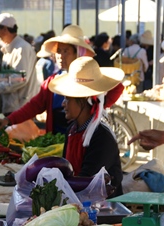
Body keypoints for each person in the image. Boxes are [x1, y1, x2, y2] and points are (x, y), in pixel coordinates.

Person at [0, 25, 124, 135]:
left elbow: (117, 87)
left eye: (66, 51)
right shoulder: (52, 82)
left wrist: (100, 106)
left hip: (83, 140)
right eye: (59, 51)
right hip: (57, 142)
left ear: (77, 53)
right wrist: (9, 120)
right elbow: (34, 106)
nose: (61, 56)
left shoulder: (89, 79)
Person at [48, 56, 124, 197]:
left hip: (104, 208)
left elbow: (87, 181)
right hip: (78, 199)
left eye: (68, 99)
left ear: (83, 101)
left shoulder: (101, 137)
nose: (63, 104)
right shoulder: (72, 129)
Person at [0, 13, 40, 116]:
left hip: (21, 108)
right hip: (13, 106)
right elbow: (9, 76)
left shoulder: (22, 49)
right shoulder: (10, 49)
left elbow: (20, 78)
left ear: (5, 29)